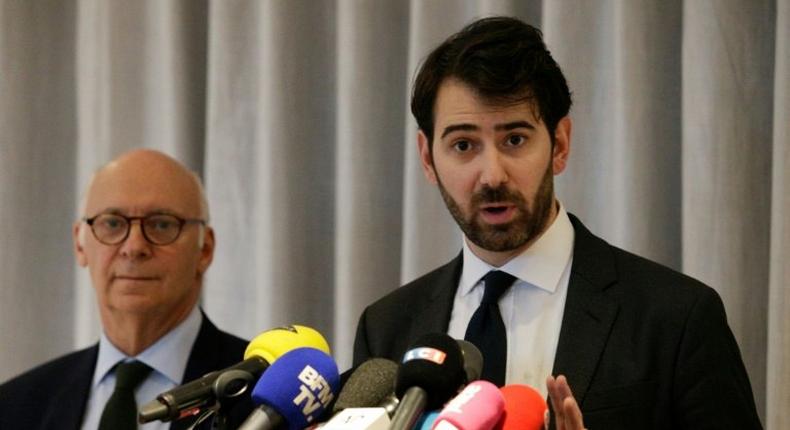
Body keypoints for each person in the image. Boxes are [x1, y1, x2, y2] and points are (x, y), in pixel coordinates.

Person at [352, 17, 762, 429]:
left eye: (515, 139)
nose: (492, 174)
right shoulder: (386, 330)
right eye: (463, 145)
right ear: (427, 157)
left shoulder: (675, 318)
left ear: (560, 144)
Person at [0, 149, 252, 429]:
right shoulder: (15, 407)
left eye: (162, 224)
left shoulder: (271, 398)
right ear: (80, 244)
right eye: (112, 223)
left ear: (205, 249)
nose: (134, 248)